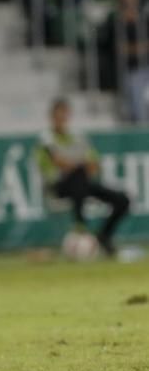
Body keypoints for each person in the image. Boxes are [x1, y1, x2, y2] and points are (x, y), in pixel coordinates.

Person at [38, 99, 129, 255]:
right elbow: (59, 163)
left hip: (81, 185)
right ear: (52, 118)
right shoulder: (46, 138)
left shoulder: (78, 137)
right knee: (79, 175)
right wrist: (79, 163)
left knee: (122, 200)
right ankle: (80, 228)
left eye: (64, 115)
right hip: (58, 186)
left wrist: (77, 164)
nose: (62, 120)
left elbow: (94, 165)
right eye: (58, 116)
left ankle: (103, 236)